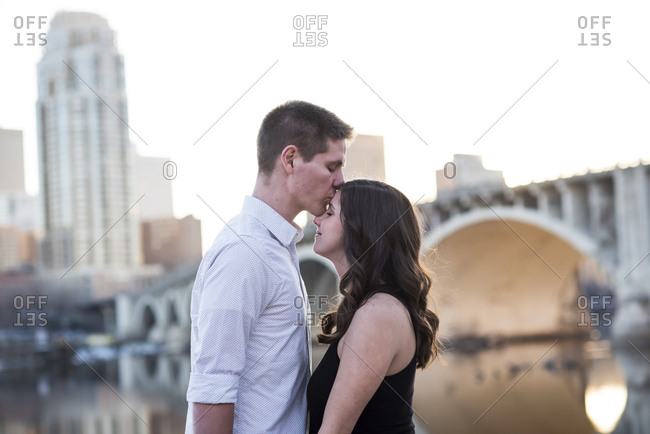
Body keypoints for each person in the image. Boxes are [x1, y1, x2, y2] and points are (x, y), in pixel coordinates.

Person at [185, 100, 354, 434]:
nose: (340, 180)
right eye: (332, 166)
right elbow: (213, 388)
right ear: (290, 159)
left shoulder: (277, 246)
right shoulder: (245, 253)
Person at [307, 179, 441, 434]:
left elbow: (335, 430)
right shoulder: (375, 307)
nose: (316, 219)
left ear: (361, 228)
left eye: (329, 212)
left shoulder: (378, 314)